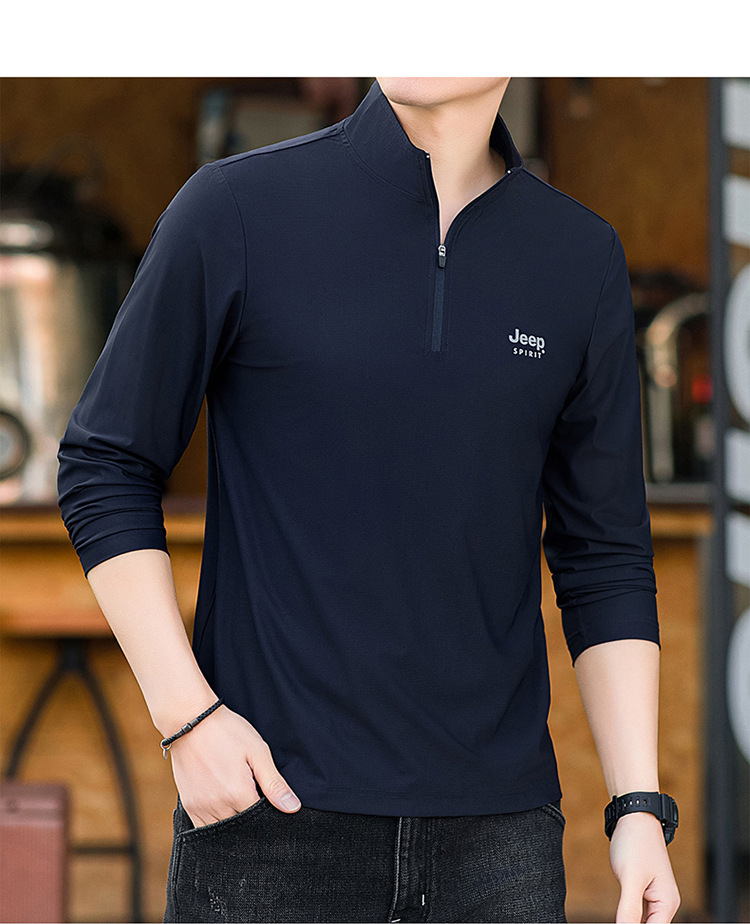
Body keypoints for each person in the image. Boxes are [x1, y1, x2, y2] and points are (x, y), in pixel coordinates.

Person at [57, 77, 681, 923]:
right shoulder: (236, 208)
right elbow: (105, 462)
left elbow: (603, 555)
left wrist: (637, 806)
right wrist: (188, 721)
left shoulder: (578, 256)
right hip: (271, 820)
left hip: (500, 845)